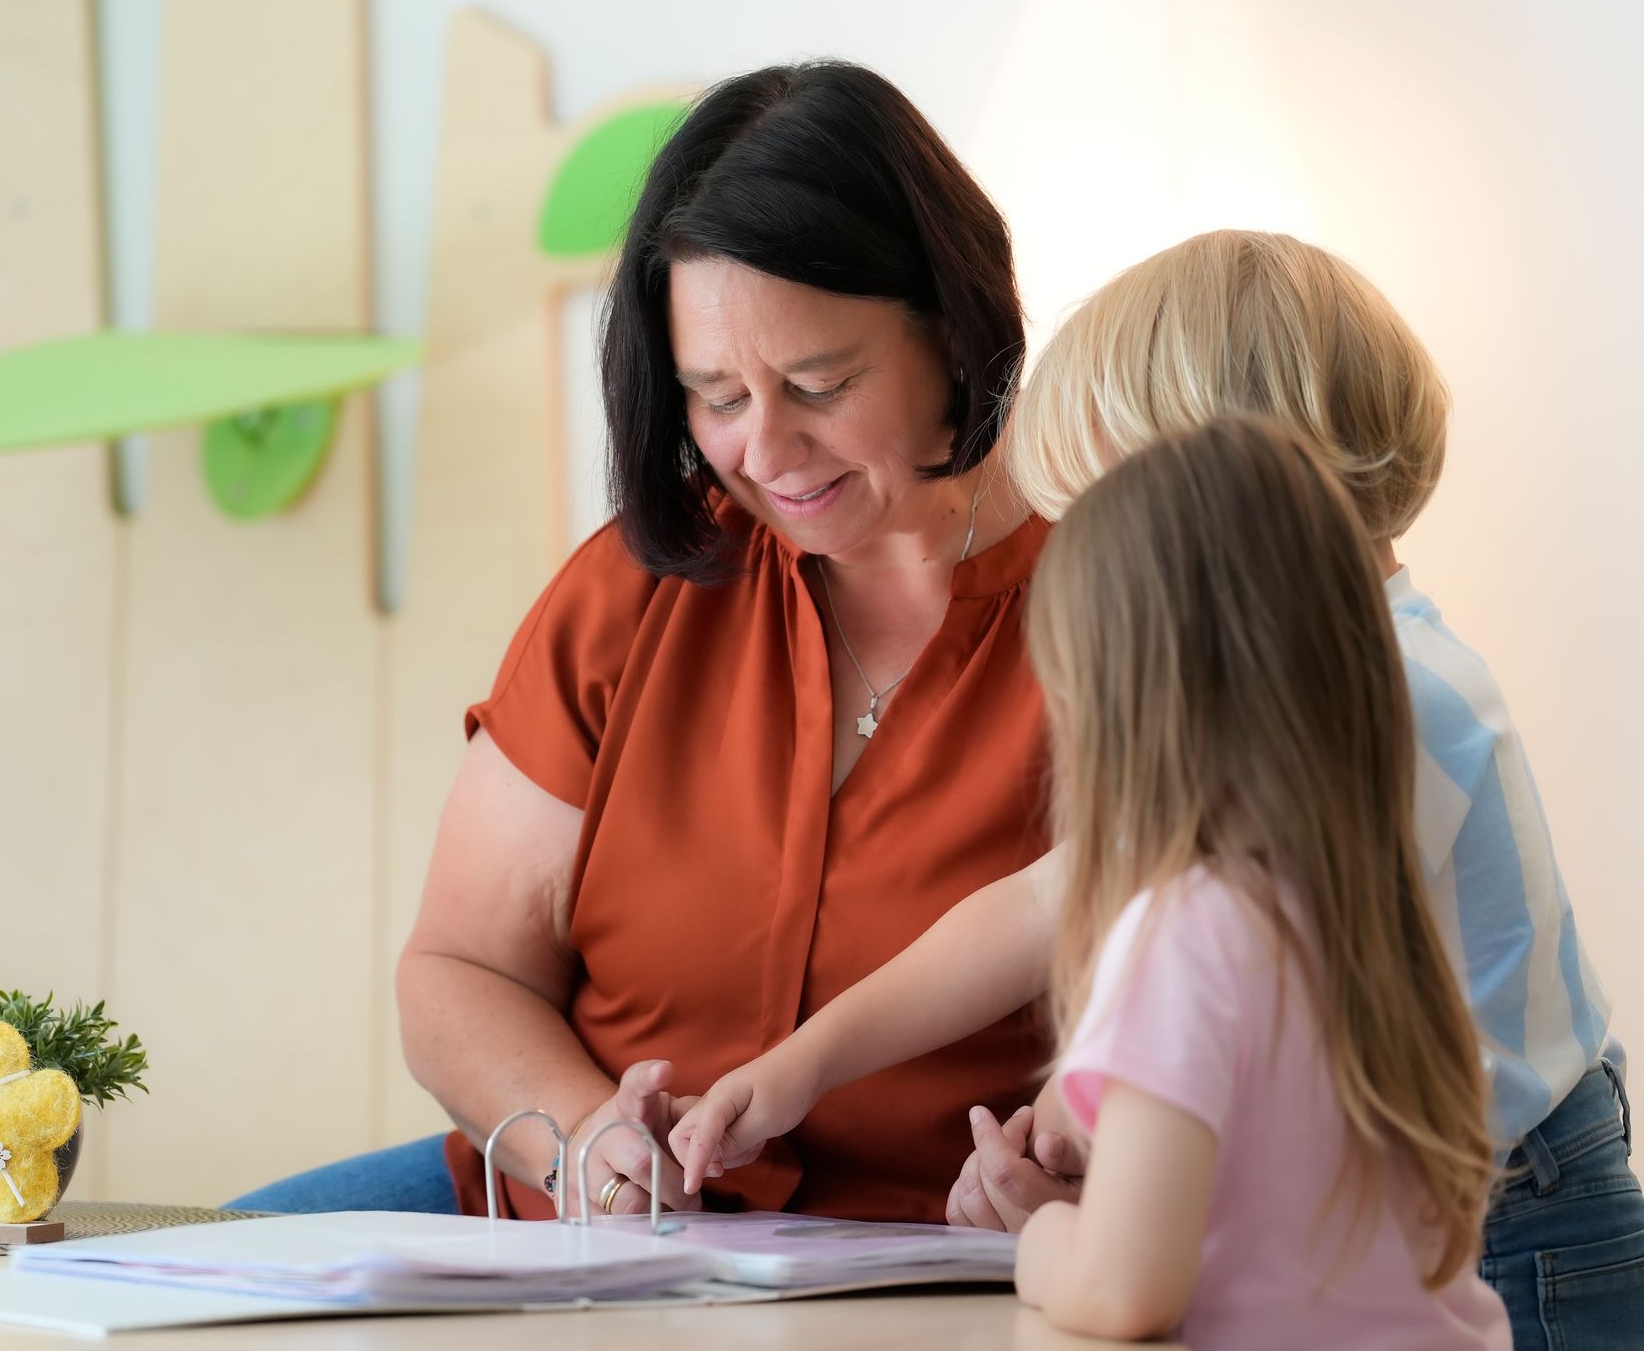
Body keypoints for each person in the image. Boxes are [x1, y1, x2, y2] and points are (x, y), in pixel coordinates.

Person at [675, 230, 1644, 1351]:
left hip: (1516, 1222)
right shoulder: (1320, 680)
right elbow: (1051, 899)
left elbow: (1239, 952)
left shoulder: (1384, 698)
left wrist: (1105, 1108)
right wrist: (799, 1065)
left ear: (1233, 500)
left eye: (1109, 526)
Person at [230, 59, 1060, 1224]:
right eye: (716, 397)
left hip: (915, 1257)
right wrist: (586, 1143)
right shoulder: (641, 582)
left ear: (953, 324)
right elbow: (461, 970)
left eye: (818, 383)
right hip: (554, 1221)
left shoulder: (1121, 611)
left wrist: (1069, 1167)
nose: (766, 451)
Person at [1021, 415, 1512, 1351]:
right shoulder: (1371, 917)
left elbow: (1125, 1289)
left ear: (1125, 712)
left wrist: (1046, 1242)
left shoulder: (1185, 930)